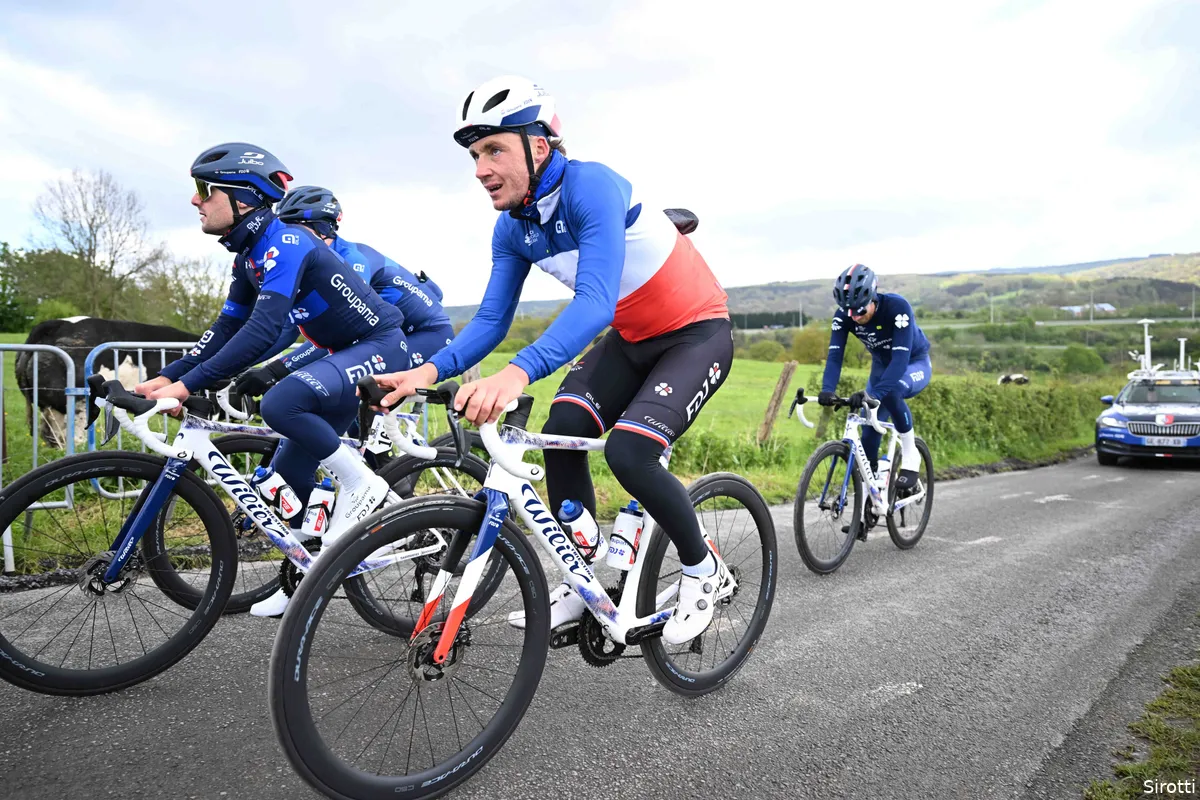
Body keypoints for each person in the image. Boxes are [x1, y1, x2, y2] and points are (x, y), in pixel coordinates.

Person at [370, 75, 733, 645]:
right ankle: (583, 572)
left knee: (630, 452)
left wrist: (517, 373)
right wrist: (428, 371)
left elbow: (594, 301)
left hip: (696, 335)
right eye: (474, 154)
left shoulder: (594, 187)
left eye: (493, 150)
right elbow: (492, 320)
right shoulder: (512, 228)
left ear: (538, 146)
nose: (480, 169)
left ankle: (703, 570)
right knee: (562, 428)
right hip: (632, 340)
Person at [135, 143, 408, 591]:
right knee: (288, 481)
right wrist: (171, 375)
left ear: (243, 198)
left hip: (380, 346)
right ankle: (299, 585)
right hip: (339, 354)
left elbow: (263, 332)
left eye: (205, 189)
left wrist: (188, 386)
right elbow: (225, 328)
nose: (194, 199)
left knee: (281, 402)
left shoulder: (287, 242)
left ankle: (363, 485)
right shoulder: (249, 257)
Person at [234, 185, 453, 391]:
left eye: (296, 230)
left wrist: (275, 370)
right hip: (391, 334)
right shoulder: (310, 262)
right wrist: (237, 364)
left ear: (324, 230)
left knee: (348, 387)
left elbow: (340, 332)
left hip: (429, 335)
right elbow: (287, 330)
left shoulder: (353, 261)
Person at [818, 263, 931, 512]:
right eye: (850, 313)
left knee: (890, 393)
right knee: (868, 430)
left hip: (912, 362)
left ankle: (911, 455)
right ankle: (872, 497)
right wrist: (827, 390)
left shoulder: (897, 307)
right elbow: (835, 357)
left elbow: (900, 361)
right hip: (881, 367)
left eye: (860, 311)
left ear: (873, 296)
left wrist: (874, 394)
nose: (855, 317)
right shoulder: (845, 315)